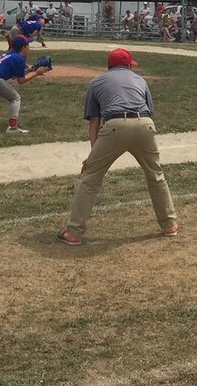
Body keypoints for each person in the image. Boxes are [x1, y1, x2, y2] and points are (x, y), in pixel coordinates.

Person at [57, 48, 178, 245]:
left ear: (109, 66)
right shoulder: (140, 80)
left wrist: (92, 157)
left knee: (90, 178)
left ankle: (74, 232)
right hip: (145, 124)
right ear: (129, 65)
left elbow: (94, 122)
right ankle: (169, 225)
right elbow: (149, 111)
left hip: (114, 126)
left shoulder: (96, 82)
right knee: (155, 175)